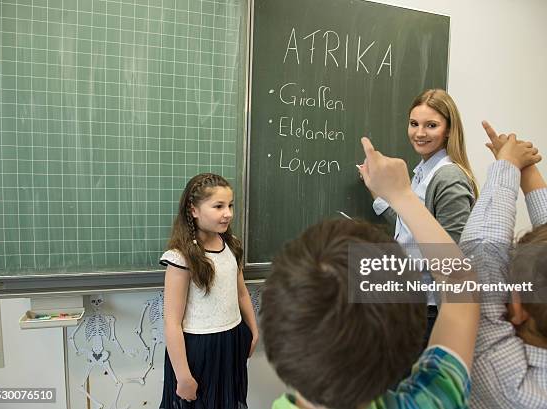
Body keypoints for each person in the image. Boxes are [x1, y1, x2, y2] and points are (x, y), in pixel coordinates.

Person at [261, 137, 482, 409]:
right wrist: (402, 196)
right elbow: (460, 281)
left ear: (275, 339)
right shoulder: (431, 400)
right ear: (407, 348)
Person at [460, 122, 547, 409]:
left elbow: (482, 256)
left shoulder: (505, 378)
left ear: (519, 307)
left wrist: (508, 164)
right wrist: (523, 169)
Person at [363, 88, 478, 335]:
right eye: (414, 123)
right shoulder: (422, 172)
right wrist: (381, 194)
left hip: (430, 310)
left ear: (448, 129)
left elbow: (451, 257)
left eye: (431, 125)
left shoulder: (448, 178)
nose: (419, 133)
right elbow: (412, 227)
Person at [159, 173, 259, 409]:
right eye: (218, 206)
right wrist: (183, 376)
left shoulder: (231, 244)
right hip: (199, 349)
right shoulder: (181, 257)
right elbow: (171, 322)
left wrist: (253, 329)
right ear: (193, 210)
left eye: (230, 205)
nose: (228, 213)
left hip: (232, 340)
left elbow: (241, 292)